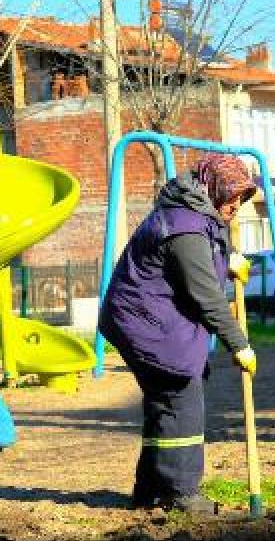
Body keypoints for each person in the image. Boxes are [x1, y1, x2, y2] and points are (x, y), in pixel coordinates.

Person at [99, 154, 258, 515]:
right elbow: (205, 296)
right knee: (180, 395)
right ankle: (182, 493)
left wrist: (228, 259)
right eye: (232, 195)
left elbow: (208, 251)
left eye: (242, 197)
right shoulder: (184, 227)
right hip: (145, 323)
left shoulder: (197, 212)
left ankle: (150, 490)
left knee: (164, 402)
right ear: (214, 188)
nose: (236, 204)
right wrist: (240, 344)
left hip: (150, 318)